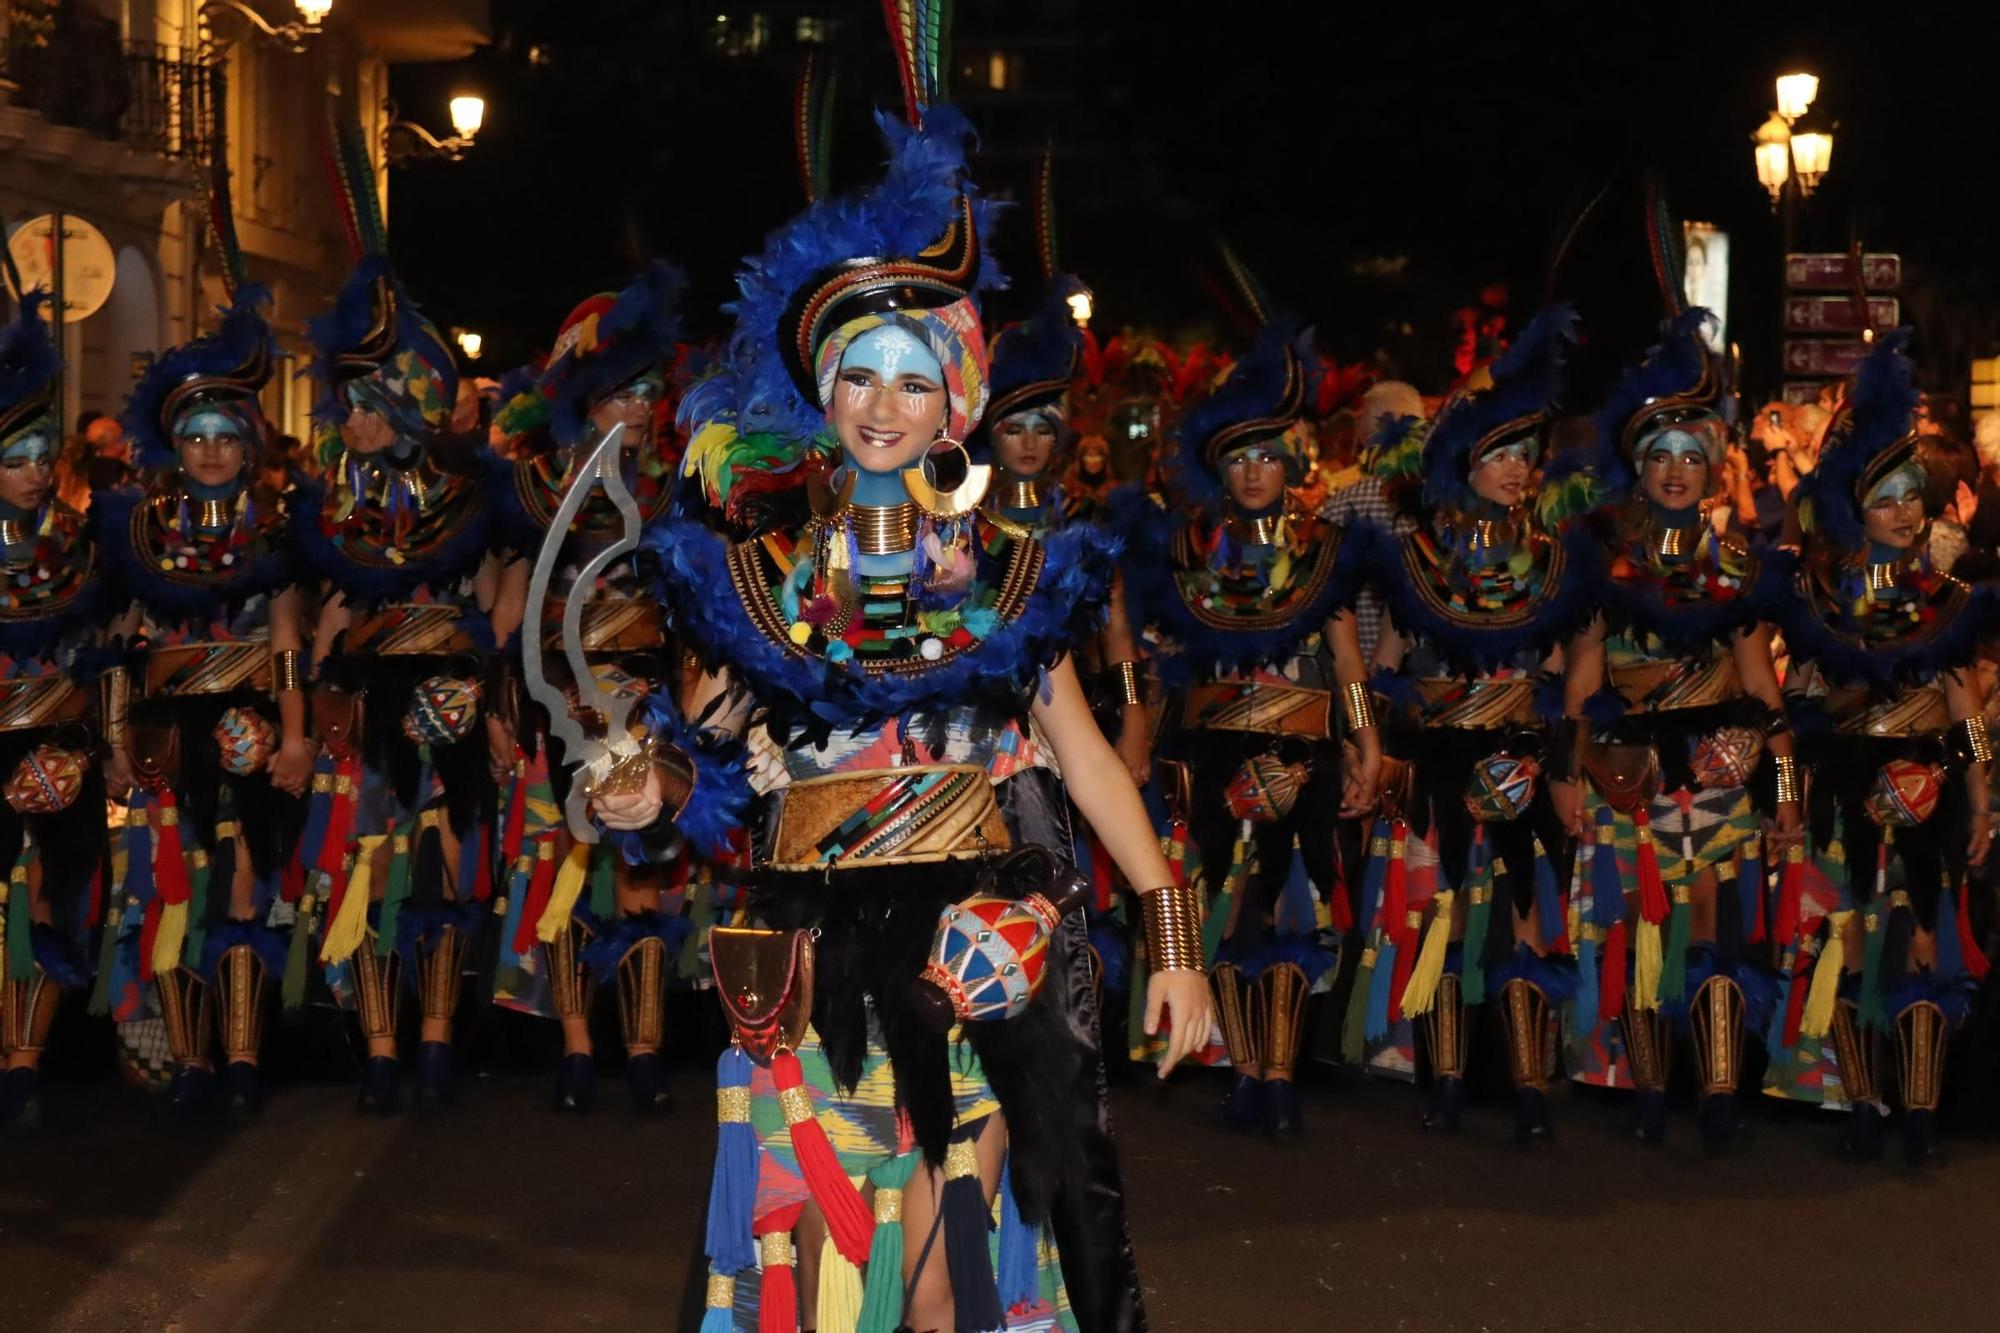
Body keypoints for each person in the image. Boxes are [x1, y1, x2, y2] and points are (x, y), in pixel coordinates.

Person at [597, 48, 1202, 1328]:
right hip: (805, 954)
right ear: (822, 396)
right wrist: (634, 790)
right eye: (859, 375)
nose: (883, 405)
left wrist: (1173, 940)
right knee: (819, 1284)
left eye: (913, 378)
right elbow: (693, 767)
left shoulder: (1017, 571)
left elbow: (1084, 760)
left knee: (946, 1290)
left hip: (972, 945)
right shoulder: (747, 577)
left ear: (956, 406)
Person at [292, 143, 510, 1115]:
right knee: (364, 868)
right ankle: (378, 1043)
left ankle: (431, 1037)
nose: (357, 420)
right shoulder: (324, 503)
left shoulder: (471, 492)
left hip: (454, 703)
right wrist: (309, 708)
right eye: (351, 406)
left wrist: (493, 694)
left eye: (372, 404)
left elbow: (502, 597)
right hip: (363, 712)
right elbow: (312, 612)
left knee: (444, 871)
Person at [1116, 322, 1373, 1137]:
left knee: (1296, 906)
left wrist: (1368, 742)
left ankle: (1281, 1070)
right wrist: (1140, 740)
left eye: (1269, 455)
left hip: (1305, 746)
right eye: (1240, 457)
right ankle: (1243, 1067)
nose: (1255, 472)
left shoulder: (1324, 549)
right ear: (1218, 467)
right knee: (1221, 902)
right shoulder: (1183, 551)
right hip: (1209, 749)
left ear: (1294, 462)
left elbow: (1346, 659)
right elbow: (1152, 657)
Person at [1551, 309, 1797, 1150]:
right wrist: (1565, 771)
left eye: (1693, 457)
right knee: (1640, 934)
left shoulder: (1741, 568)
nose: (1677, 472)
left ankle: (1721, 1090)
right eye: (1660, 457)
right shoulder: (1602, 563)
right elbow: (1582, 678)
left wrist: (1784, 783)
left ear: (1713, 467)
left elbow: (1761, 678)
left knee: (1719, 935)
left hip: (1723, 771)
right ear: (1638, 468)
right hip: (1628, 773)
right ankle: (1651, 1089)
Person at [1343, 308, 1589, 1142]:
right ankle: (1444, 1077)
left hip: (1520, 753)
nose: (1517, 470)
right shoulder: (1419, 556)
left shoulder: (1554, 557)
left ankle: (1525, 1083)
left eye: (1527, 455)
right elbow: (1394, 662)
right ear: (1467, 463)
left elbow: (1567, 672)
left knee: (1524, 913)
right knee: (1441, 910)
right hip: (1440, 759)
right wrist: (1383, 747)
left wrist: (1561, 761)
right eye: (1501, 455)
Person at [1778, 335, 1993, 1167]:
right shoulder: (1818, 598)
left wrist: (1980, 791)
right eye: (1887, 498)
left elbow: (1965, 698)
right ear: (1854, 508)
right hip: (1842, 788)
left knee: (1925, 939)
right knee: (1851, 939)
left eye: (1915, 496)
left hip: (1927, 789)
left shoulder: (1950, 595)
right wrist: (1793, 793)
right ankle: (1863, 1099)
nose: (1906, 512)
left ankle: (1922, 1112)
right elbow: (1795, 706)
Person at [96, 285, 311, 1116]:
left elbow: (288, 639)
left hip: (253, 728)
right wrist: (115, 746)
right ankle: (190, 1058)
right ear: (173, 445)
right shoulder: (137, 530)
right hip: (164, 738)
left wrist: (293, 738)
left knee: (248, 885)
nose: (212, 450)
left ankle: (245, 1056)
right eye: (196, 436)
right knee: (169, 885)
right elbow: (118, 649)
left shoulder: (275, 529)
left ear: (250, 447)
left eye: (227, 436)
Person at [488, 262, 689, 1115]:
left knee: (642, 873)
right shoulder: (532, 492)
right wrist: (503, 714)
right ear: (583, 398)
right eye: (620, 391)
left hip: (647, 708)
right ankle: (574, 1046)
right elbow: (502, 615)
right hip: (556, 706)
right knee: (562, 873)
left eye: (648, 389)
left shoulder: (678, 492)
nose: (638, 406)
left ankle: (642, 1048)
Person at [0, 295, 107, 1131]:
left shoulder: (78, 541)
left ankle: (28, 1061)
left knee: (49, 893)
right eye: (16, 458)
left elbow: (104, 645)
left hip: (57, 744)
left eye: (44, 456)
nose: (35, 471)